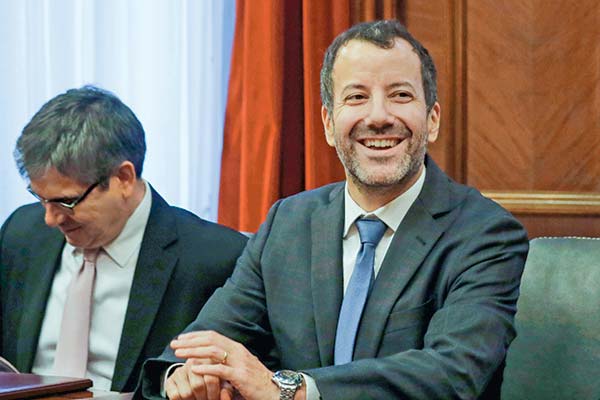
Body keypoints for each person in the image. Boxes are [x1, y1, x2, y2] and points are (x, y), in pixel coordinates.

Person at [140, 20, 528, 400]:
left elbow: (454, 373)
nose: (378, 117)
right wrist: (185, 374)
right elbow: (208, 339)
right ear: (328, 123)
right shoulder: (288, 223)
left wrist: (294, 391)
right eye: (356, 97)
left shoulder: (486, 233)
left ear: (432, 120)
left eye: (400, 95)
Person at [0, 86, 248, 392]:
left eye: (65, 202)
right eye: (40, 198)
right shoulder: (21, 233)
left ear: (124, 179)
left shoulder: (215, 259)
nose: (50, 219)